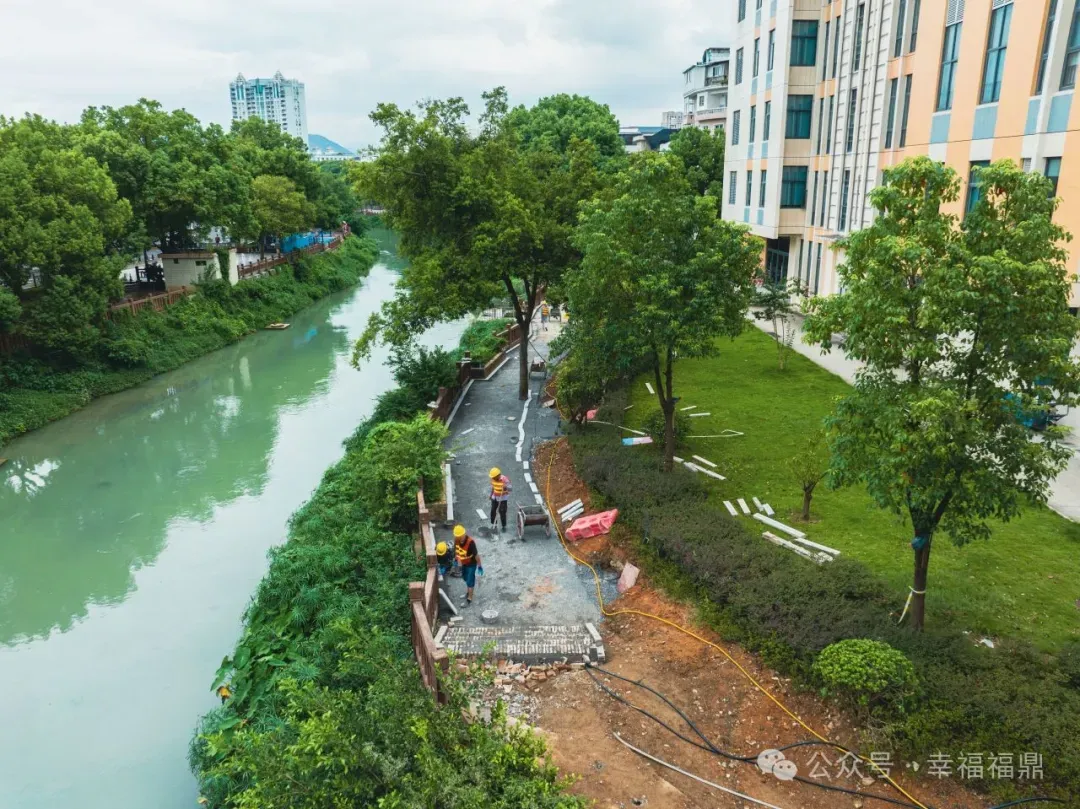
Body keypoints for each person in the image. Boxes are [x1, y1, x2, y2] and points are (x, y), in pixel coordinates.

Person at [453, 525, 483, 606]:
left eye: (459, 536)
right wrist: (456, 559)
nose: (458, 537)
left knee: (470, 580)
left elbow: (476, 555)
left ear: (463, 534)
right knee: (465, 578)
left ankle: (469, 599)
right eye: (457, 536)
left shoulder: (470, 542)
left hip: (471, 564)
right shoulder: (457, 540)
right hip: (464, 563)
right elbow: (456, 550)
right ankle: (468, 592)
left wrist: (479, 566)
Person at [488, 467, 512, 533]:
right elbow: (493, 487)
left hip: (502, 498)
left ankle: (504, 526)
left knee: (502, 512)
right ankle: (494, 524)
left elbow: (510, 489)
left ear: (498, 475)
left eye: (494, 477)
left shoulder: (505, 479)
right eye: (492, 477)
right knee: (493, 510)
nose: (493, 478)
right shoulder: (493, 479)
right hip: (495, 497)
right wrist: (491, 495)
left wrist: (506, 488)